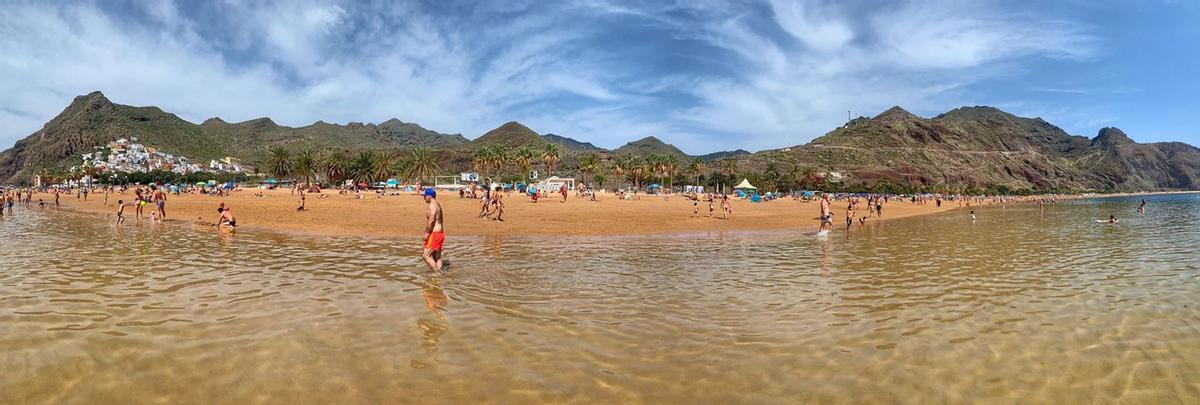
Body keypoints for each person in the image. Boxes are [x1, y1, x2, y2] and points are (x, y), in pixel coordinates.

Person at [421, 188, 445, 272]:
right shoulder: (438, 205)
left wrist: (426, 232)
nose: (424, 198)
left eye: (424, 196)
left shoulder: (432, 205)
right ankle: (438, 279)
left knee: (426, 256)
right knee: (437, 257)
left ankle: (438, 274)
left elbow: (432, 219)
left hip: (434, 234)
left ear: (429, 196)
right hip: (440, 234)